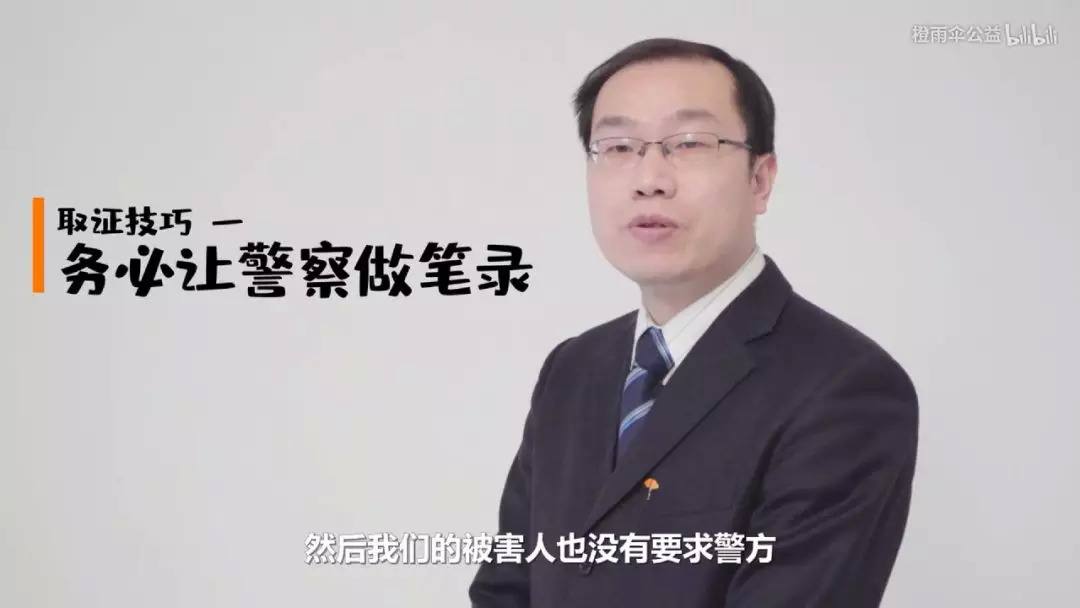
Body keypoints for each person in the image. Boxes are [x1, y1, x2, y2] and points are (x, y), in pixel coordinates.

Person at [468, 37, 919, 608]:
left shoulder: (845, 387)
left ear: (760, 179)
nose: (649, 178)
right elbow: (507, 589)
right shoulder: (572, 369)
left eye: (688, 143)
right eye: (618, 146)